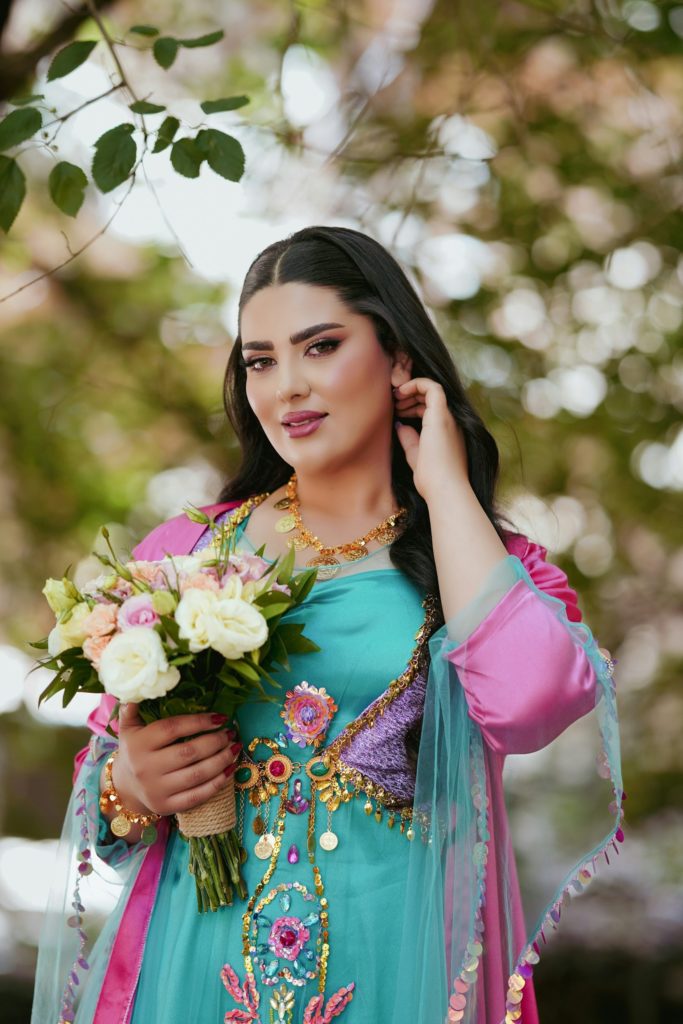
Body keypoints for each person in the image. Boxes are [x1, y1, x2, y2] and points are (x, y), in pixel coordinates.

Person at [31, 226, 623, 1024]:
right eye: (261, 361)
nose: (286, 388)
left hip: (401, 972)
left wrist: (443, 486)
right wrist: (129, 786)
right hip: (193, 970)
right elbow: (102, 809)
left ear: (399, 359)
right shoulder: (187, 553)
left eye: (321, 347)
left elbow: (530, 704)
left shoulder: (489, 564)